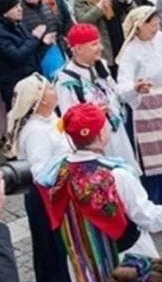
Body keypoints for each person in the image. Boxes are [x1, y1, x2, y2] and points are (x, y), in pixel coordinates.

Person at [35, 103, 162, 282]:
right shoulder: (115, 175)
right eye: (105, 123)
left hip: (83, 260)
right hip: (127, 260)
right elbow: (152, 220)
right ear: (101, 135)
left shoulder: (55, 171)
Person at [3, 73, 74, 282]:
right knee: (52, 247)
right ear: (42, 99)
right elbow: (41, 171)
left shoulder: (49, 118)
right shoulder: (36, 132)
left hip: (57, 192)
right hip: (47, 197)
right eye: (51, 90)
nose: (55, 92)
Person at [55, 23, 141, 174]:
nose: (100, 48)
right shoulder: (65, 80)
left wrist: (134, 89)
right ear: (78, 49)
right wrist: (93, 113)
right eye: (94, 44)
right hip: (95, 145)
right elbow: (69, 119)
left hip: (116, 134)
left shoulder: (100, 66)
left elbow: (116, 96)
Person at [115, 7, 162, 204]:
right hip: (144, 106)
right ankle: (153, 200)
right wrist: (136, 87)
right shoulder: (131, 51)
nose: (156, 29)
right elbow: (121, 87)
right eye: (152, 25)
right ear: (139, 26)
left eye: (158, 24)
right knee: (151, 157)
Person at [0, 0, 52, 107]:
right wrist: (36, 37)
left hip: (32, 77)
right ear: (5, 12)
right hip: (17, 85)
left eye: (19, 6)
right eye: (15, 7)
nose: (20, 9)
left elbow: (28, 45)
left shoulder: (16, 23)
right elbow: (17, 55)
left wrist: (41, 41)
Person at [73, 0, 117, 67]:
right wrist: (100, 4)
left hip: (115, 37)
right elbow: (83, 21)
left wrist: (126, 0)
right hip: (103, 42)